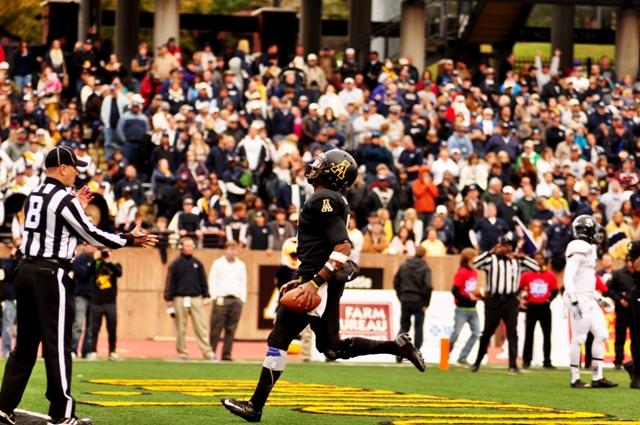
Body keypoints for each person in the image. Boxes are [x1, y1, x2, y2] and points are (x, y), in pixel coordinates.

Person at [221, 149, 425, 422]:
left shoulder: (323, 198)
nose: (315, 167)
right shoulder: (331, 198)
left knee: (279, 338)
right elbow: (324, 247)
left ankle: (255, 406)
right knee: (331, 347)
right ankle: (397, 346)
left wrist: (313, 283)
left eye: (322, 164)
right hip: (316, 278)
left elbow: (342, 247)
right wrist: (302, 278)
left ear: (334, 172)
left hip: (319, 282)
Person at [0, 146, 157, 425]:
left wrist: (78, 207)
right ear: (62, 168)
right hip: (51, 274)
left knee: (24, 345)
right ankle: (62, 414)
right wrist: (129, 238)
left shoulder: (35, 193)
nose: (77, 172)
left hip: (26, 270)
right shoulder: (63, 198)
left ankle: (3, 406)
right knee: (57, 345)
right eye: (74, 167)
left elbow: (56, 226)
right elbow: (92, 234)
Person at [470, 234, 539, 374]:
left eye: (508, 245)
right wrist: (490, 252)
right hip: (494, 300)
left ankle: (513, 365)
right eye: (503, 245)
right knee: (487, 332)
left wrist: (522, 256)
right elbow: (476, 263)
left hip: (511, 301)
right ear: (498, 246)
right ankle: (477, 361)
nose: (506, 248)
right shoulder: (491, 259)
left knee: (512, 333)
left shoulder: (517, 262)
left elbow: (536, 267)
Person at [563, 214, 617, 389]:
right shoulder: (578, 246)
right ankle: (574, 378)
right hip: (579, 298)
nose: (597, 232)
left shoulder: (589, 248)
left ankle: (597, 377)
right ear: (586, 230)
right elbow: (568, 277)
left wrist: (600, 298)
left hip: (589, 297)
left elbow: (586, 281)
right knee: (579, 339)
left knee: (601, 334)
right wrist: (573, 300)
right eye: (594, 229)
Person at [164, 237, 215, 361]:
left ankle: (208, 353)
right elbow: (170, 282)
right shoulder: (175, 264)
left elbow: (203, 280)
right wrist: (168, 298)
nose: (190, 248)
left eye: (192, 245)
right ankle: (182, 353)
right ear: (182, 247)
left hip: (196, 298)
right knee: (180, 327)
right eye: (187, 245)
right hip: (179, 298)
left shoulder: (198, 263)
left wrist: (206, 295)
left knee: (201, 327)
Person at [208, 241, 247, 361]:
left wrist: (242, 299)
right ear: (225, 250)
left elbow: (243, 281)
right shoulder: (218, 263)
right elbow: (212, 280)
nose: (232, 252)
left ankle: (226, 354)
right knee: (216, 328)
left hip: (236, 299)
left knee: (231, 328)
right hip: (221, 298)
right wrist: (214, 296)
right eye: (230, 249)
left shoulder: (241, 265)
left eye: (234, 249)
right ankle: (211, 353)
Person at [393, 245, 432, 362]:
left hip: (405, 299)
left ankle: (398, 351)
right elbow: (428, 286)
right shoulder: (426, 268)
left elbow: (396, 282)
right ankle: (416, 353)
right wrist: (426, 303)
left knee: (404, 327)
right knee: (418, 327)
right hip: (419, 300)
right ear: (425, 255)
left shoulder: (404, 265)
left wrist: (401, 296)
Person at [519, 253, 558, 369]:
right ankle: (526, 360)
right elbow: (519, 289)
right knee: (529, 334)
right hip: (531, 307)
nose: (538, 261)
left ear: (545, 261)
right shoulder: (526, 275)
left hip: (544, 308)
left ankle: (547, 361)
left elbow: (555, 290)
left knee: (547, 335)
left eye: (540, 258)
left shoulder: (550, 275)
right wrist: (523, 298)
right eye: (536, 259)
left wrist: (549, 300)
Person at [86, 249, 122, 361]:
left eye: (107, 251)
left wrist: (108, 261)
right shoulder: (96, 264)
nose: (105, 254)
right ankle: (93, 351)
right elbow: (88, 273)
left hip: (110, 303)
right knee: (94, 328)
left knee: (112, 328)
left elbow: (119, 273)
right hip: (96, 302)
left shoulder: (115, 264)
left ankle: (112, 351)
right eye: (103, 252)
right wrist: (95, 259)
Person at [449, 248, 480, 366]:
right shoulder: (461, 272)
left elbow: (470, 289)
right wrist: (468, 297)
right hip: (462, 309)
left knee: (476, 333)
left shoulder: (474, 273)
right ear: (468, 258)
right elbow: (455, 291)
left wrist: (477, 294)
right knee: (455, 334)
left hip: (473, 309)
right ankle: (445, 355)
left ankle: (463, 357)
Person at [607, 256, 634, 369]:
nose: (631, 264)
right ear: (626, 262)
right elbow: (608, 289)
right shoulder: (618, 274)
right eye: (629, 261)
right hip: (622, 310)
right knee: (620, 336)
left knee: (636, 337)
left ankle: (635, 360)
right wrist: (619, 299)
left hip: (635, 310)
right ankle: (618, 360)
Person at [71, 244, 95, 359]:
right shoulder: (79, 260)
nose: (93, 248)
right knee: (78, 324)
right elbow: (83, 275)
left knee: (91, 327)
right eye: (90, 245)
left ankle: (87, 351)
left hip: (94, 297)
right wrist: (94, 263)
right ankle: (73, 349)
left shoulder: (99, 261)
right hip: (81, 295)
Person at [623, 241, 640, 389]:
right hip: (639, 294)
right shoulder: (635, 246)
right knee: (638, 335)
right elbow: (636, 266)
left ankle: (632, 365)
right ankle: (637, 375)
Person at [0, 240, 21, 358]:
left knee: (23, 328)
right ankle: (6, 350)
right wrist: (13, 257)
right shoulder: (6, 261)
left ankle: (20, 351)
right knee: (7, 326)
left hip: (22, 298)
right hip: (10, 298)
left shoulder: (24, 261)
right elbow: (8, 273)